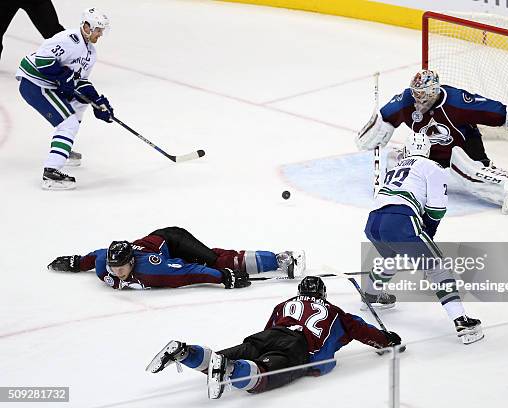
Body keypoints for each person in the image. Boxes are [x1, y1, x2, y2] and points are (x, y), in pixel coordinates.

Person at [146, 276, 402, 399]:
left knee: (223, 358)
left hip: (266, 336)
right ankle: (234, 369)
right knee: (261, 375)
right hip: (299, 347)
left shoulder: (284, 304)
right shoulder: (336, 313)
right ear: (323, 294)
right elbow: (364, 331)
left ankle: (185, 352)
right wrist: (387, 340)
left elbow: (269, 328)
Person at [356, 69, 508, 216]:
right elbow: (385, 117)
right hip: (428, 151)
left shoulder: (456, 101)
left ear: (434, 91)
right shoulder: (406, 100)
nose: (417, 99)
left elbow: (487, 109)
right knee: (394, 161)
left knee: (471, 175)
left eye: (422, 94)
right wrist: (375, 129)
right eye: (415, 93)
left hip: (462, 149)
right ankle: (405, 193)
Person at [363, 132, 483, 345]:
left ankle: (371, 295)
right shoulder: (432, 167)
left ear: (407, 150)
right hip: (400, 220)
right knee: (437, 267)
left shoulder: (395, 167)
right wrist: (428, 235)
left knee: (393, 257)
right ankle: (462, 321)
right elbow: (436, 209)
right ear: (427, 151)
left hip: (373, 223)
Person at [15, 7, 112, 190]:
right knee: (69, 123)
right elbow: (42, 61)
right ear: (87, 26)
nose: (100, 34)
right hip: (34, 83)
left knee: (79, 104)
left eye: (102, 30)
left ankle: (62, 149)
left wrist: (97, 102)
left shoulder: (91, 53)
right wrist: (63, 75)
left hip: (47, 84)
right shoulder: (67, 39)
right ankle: (51, 173)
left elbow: (80, 82)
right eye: (98, 29)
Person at [47, 226, 306, 290]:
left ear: (132, 262)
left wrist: (223, 278)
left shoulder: (151, 269)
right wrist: (76, 263)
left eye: (121, 266)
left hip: (172, 240)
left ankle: (280, 259)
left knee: (217, 260)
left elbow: (189, 271)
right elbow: (95, 257)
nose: (117, 272)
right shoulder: (107, 263)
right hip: (155, 244)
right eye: (114, 267)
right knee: (216, 261)